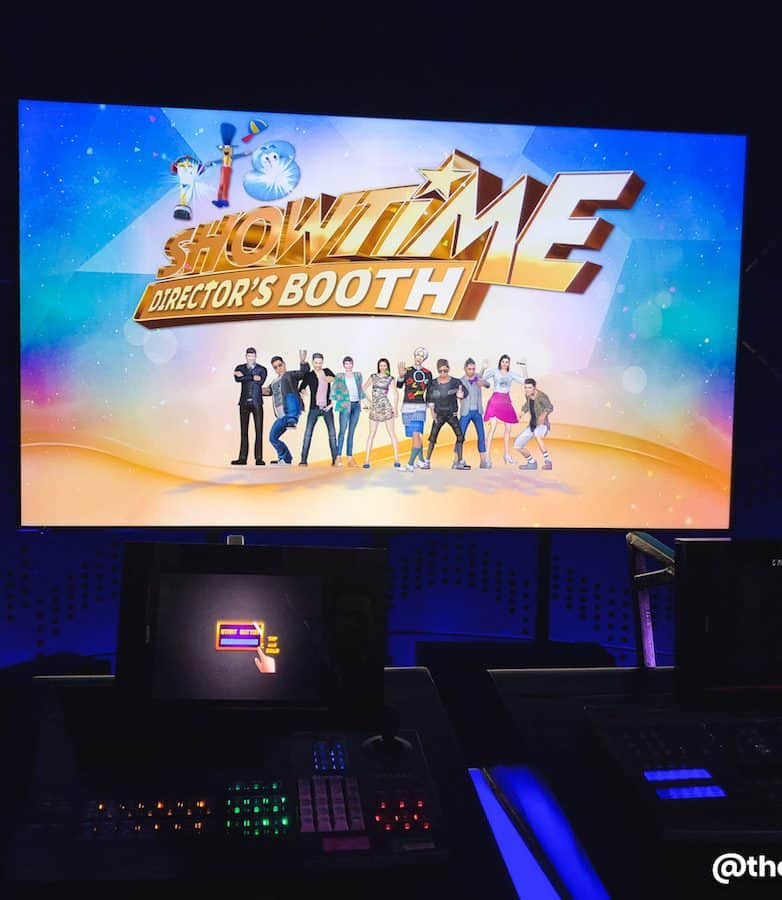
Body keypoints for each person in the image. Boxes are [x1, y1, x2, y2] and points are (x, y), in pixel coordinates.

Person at [262, 350, 310, 465]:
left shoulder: (289, 375)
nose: (279, 368)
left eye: (280, 365)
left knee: (286, 380)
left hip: (290, 410)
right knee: (273, 437)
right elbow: (268, 391)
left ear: (284, 364)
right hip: (281, 416)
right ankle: (285, 458)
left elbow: (303, 373)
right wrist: (257, 388)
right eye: (275, 367)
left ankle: (292, 419)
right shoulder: (274, 382)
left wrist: (303, 361)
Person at [423, 359, 470, 469]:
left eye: (445, 370)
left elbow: (465, 393)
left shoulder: (456, 382)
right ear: (437, 370)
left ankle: (459, 461)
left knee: (460, 436)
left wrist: (461, 395)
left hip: (452, 414)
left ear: (449, 369)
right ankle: (427, 461)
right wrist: (432, 412)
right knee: (432, 437)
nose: (443, 373)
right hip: (438, 415)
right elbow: (429, 398)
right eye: (440, 371)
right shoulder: (433, 383)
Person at [483, 354, 527, 465]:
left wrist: (524, 367)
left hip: (506, 401)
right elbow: (481, 379)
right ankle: (487, 457)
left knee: (508, 429)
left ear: (509, 364)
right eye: (503, 361)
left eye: (507, 362)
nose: (504, 364)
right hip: (495, 401)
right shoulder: (494, 372)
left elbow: (525, 381)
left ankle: (507, 455)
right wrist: (483, 368)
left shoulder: (511, 374)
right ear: (500, 362)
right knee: (493, 428)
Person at [298, 353, 337, 466]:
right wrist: (303, 391)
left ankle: (335, 460)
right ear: (312, 362)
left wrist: (332, 379)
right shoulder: (309, 375)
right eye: (316, 363)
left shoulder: (327, 371)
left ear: (322, 362)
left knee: (332, 434)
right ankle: (303, 460)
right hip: (314, 408)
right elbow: (301, 387)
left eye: (320, 363)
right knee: (308, 434)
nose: (318, 365)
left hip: (327, 408)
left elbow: (337, 381)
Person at [397, 347, 432, 471]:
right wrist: (401, 376)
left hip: (420, 407)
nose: (419, 357)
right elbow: (399, 385)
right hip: (407, 406)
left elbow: (430, 392)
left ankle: (410, 464)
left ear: (424, 359)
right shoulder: (407, 370)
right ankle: (421, 461)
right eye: (418, 355)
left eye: (422, 356)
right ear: (414, 355)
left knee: (416, 435)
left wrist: (431, 407)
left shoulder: (428, 373)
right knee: (414, 436)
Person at [361, 358, 400, 469]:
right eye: (381, 365)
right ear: (378, 366)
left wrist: (395, 408)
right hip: (375, 408)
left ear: (387, 367)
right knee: (371, 434)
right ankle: (366, 460)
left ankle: (397, 459)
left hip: (386, 407)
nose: (382, 367)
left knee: (392, 433)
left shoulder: (390, 378)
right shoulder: (373, 377)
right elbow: (363, 389)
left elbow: (395, 394)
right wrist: (369, 401)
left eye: (384, 365)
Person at [231, 347, 267, 466]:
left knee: (259, 430)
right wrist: (252, 377)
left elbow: (260, 381)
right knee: (244, 431)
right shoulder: (240, 367)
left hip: (257, 402)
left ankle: (259, 458)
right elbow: (237, 378)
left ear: (255, 357)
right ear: (246, 356)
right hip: (244, 402)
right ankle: (242, 458)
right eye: (249, 356)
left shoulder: (262, 369)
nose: (251, 358)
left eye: (253, 356)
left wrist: (244, 376)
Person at [331, 356, 366, 467]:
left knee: (351, 432)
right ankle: (338, 457)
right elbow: (334, 389)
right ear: (344, 365)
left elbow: (360, 389)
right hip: (345, 405)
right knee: (342, 431)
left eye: (350, 363)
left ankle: (350, 458)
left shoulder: (358, 375)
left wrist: (364, 402)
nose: (348, 366)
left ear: (352, 364)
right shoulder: (339, 376)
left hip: (356, 405)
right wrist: (332, 403)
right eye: (346, 364)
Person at [515, 377, 554, 470]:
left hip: (542, 424)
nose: (527, 390)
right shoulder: (528, 395)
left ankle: (548, 461)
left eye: (529, 387)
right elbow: (527, 405)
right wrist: (521, 413)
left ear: (534, 387)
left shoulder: (541, 397)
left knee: (537, 434)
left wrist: (543, 415)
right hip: (532, 425)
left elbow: (550, 407)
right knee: (518, 445)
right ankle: (532, 463)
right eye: (525, 387)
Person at [459, 357, 491, 469]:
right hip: (465, 412)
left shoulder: (478, 377)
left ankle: (483, 461)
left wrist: (483, 383)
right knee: (460, 436)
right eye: (469, 369)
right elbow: (458, 394)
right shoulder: (461, 381)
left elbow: (488, 385)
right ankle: (456, 460)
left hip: (477, 412)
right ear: (465, 369)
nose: (471, 371)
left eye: (473, 369)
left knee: (481, 436)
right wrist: (459, 396)